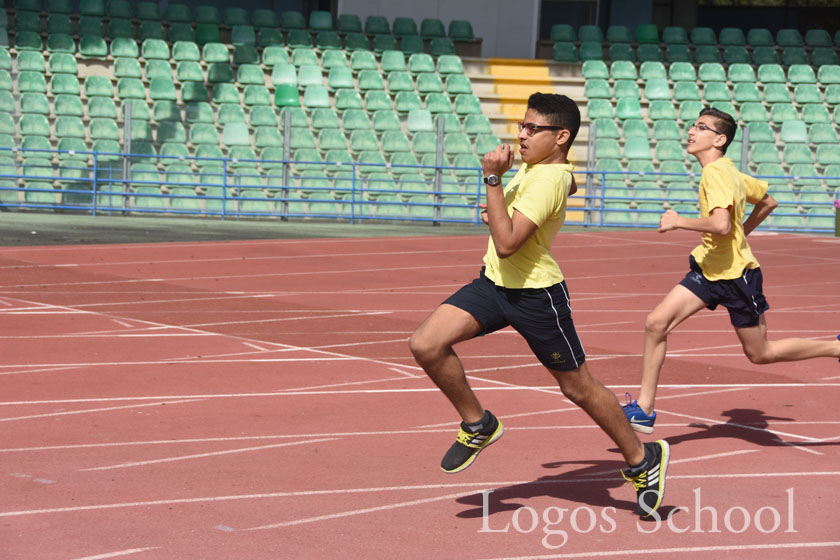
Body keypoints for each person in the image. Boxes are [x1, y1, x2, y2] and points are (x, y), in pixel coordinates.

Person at [409, 92, 669, 517]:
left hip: (535, 296)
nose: (521, 134)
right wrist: (498, 208)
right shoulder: (541, 171)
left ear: (561, 136)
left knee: (577, 387)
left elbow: (509, 244)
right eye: (522, 125)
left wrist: (492, 180)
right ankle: (479, 424)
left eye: (533, 128)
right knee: (426, 344)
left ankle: (643, 459)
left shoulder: (546, 179)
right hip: (494, 285)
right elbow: (554, 191)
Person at [623, 107, 840, 434]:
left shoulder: (716, 173)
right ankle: (644, 409)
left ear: (719, 139)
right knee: (656, 323)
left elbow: (722, 224)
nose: (691, 131)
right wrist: (743, 233)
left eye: (701, 127)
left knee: (761, 353)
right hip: (709, 270)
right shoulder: (730, 172)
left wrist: (679, 221)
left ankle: (836, 348)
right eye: (693, 125)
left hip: (737, 277)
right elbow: (768, 202)